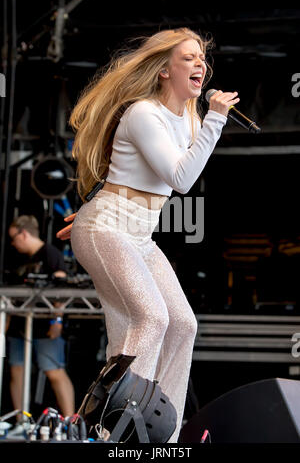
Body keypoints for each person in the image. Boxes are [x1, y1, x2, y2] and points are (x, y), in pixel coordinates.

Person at [56, 27, 239, 442]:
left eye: (202, 58)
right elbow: (181, 178)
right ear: (163, 70)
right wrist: (216, 118)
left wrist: (206, 120)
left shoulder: (188, 119)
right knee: (151, 318)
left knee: (182, 324)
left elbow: (146, 175)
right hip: (108, 228)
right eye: (189, 57)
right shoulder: (143, 112)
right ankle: (118, 433)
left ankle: (163, 435)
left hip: (137, 234)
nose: (200, 64)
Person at [6, 215, 75, 418]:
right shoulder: (18, 257)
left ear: (24, 234)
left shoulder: (50, 254)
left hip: (44, 326)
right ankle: (21, 420)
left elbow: (61, 292)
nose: (13, 243)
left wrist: (57, 320)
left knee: (54, 371)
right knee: (16, 371)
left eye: (14, 238)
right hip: (18, 325)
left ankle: (71, 421)